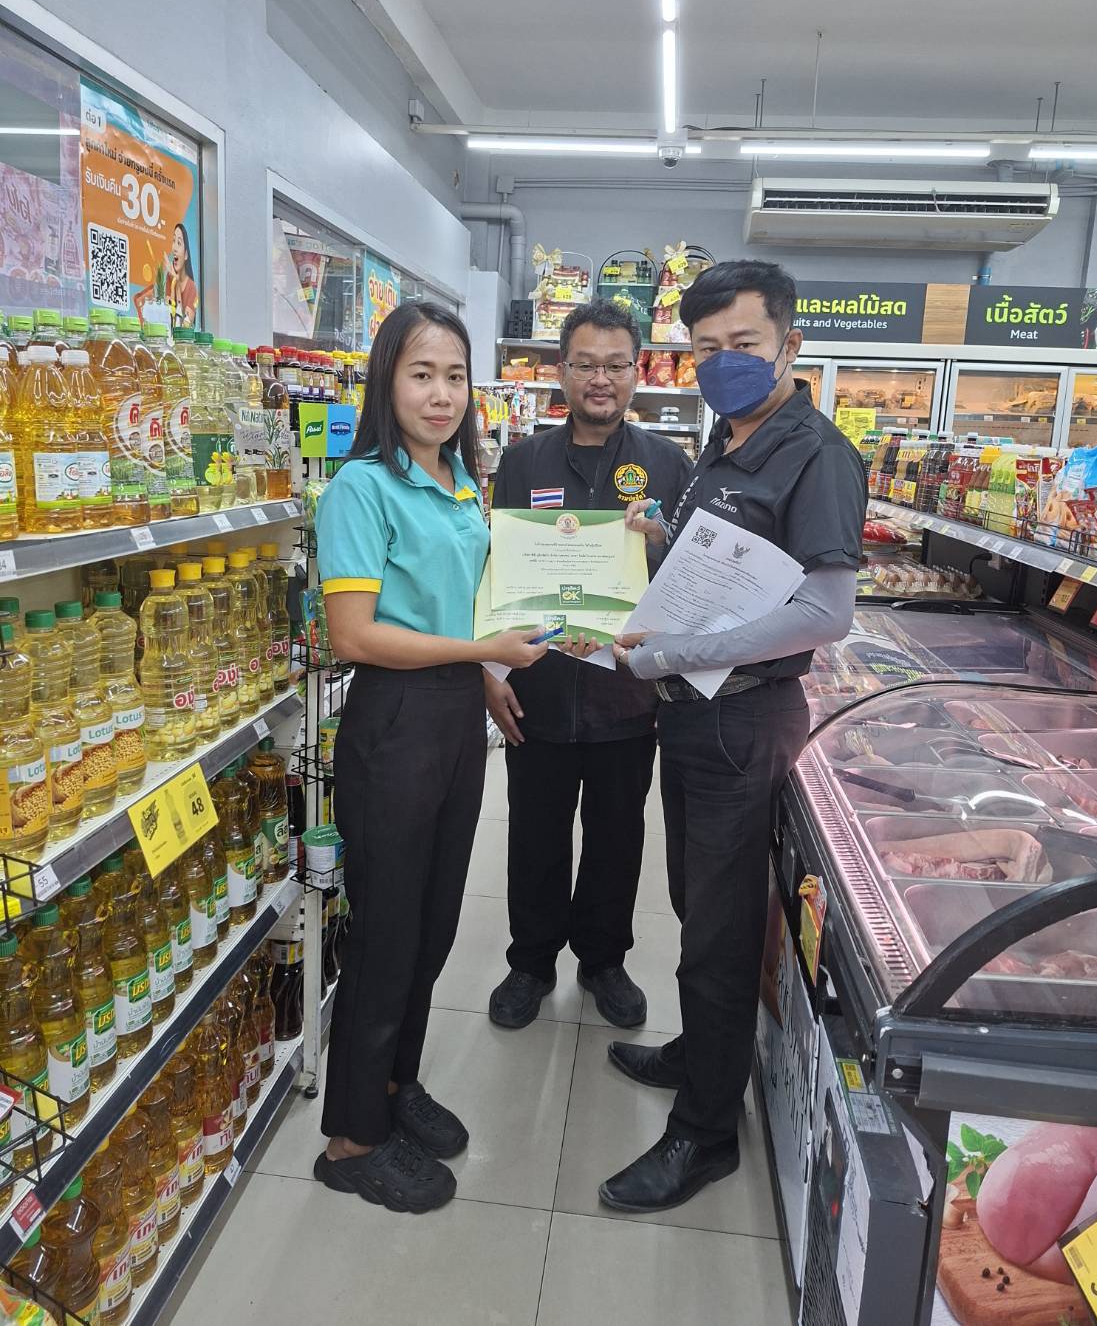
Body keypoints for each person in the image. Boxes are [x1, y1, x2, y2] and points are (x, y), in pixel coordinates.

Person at [597, 260, 865, 1213]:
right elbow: (730, 566)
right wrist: (656, 539)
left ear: (790, 344)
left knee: (719, 929)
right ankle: (704, 1053)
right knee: (695, 904)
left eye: (743, 344)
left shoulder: (818, 453)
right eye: (705, 348)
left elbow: (824, 611)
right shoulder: (727, 434)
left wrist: (675, 653)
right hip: (694, 713)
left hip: (744, 717)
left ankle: (706, 1133)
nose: (723, 363)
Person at [313, 301, 547, 1214]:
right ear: (387, 380)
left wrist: (483, 677)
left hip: (453, 718)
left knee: (436, 923)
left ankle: (393, 1084)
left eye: (455, 376)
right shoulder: (361, 488)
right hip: (395, 723)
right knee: (386, 931)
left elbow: (453, 606)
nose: (441, 394)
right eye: (422, 374)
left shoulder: (455, 481)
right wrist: (481, 654)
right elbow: (354, 634)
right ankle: (351, 1139)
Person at [486, 300, 692, 1030]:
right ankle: (530, 960)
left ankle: (603, 960)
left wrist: (660, 542)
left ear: (636, 371)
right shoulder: (523, 462)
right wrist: (490, 677)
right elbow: (496, 573)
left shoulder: (669, 464)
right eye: (585, 364)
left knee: (617, 836)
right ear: (561, 371)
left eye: (615, 365)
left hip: (627, 698)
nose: (600, 379)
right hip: (537, 690)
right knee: (534, 833)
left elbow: (691, 582)